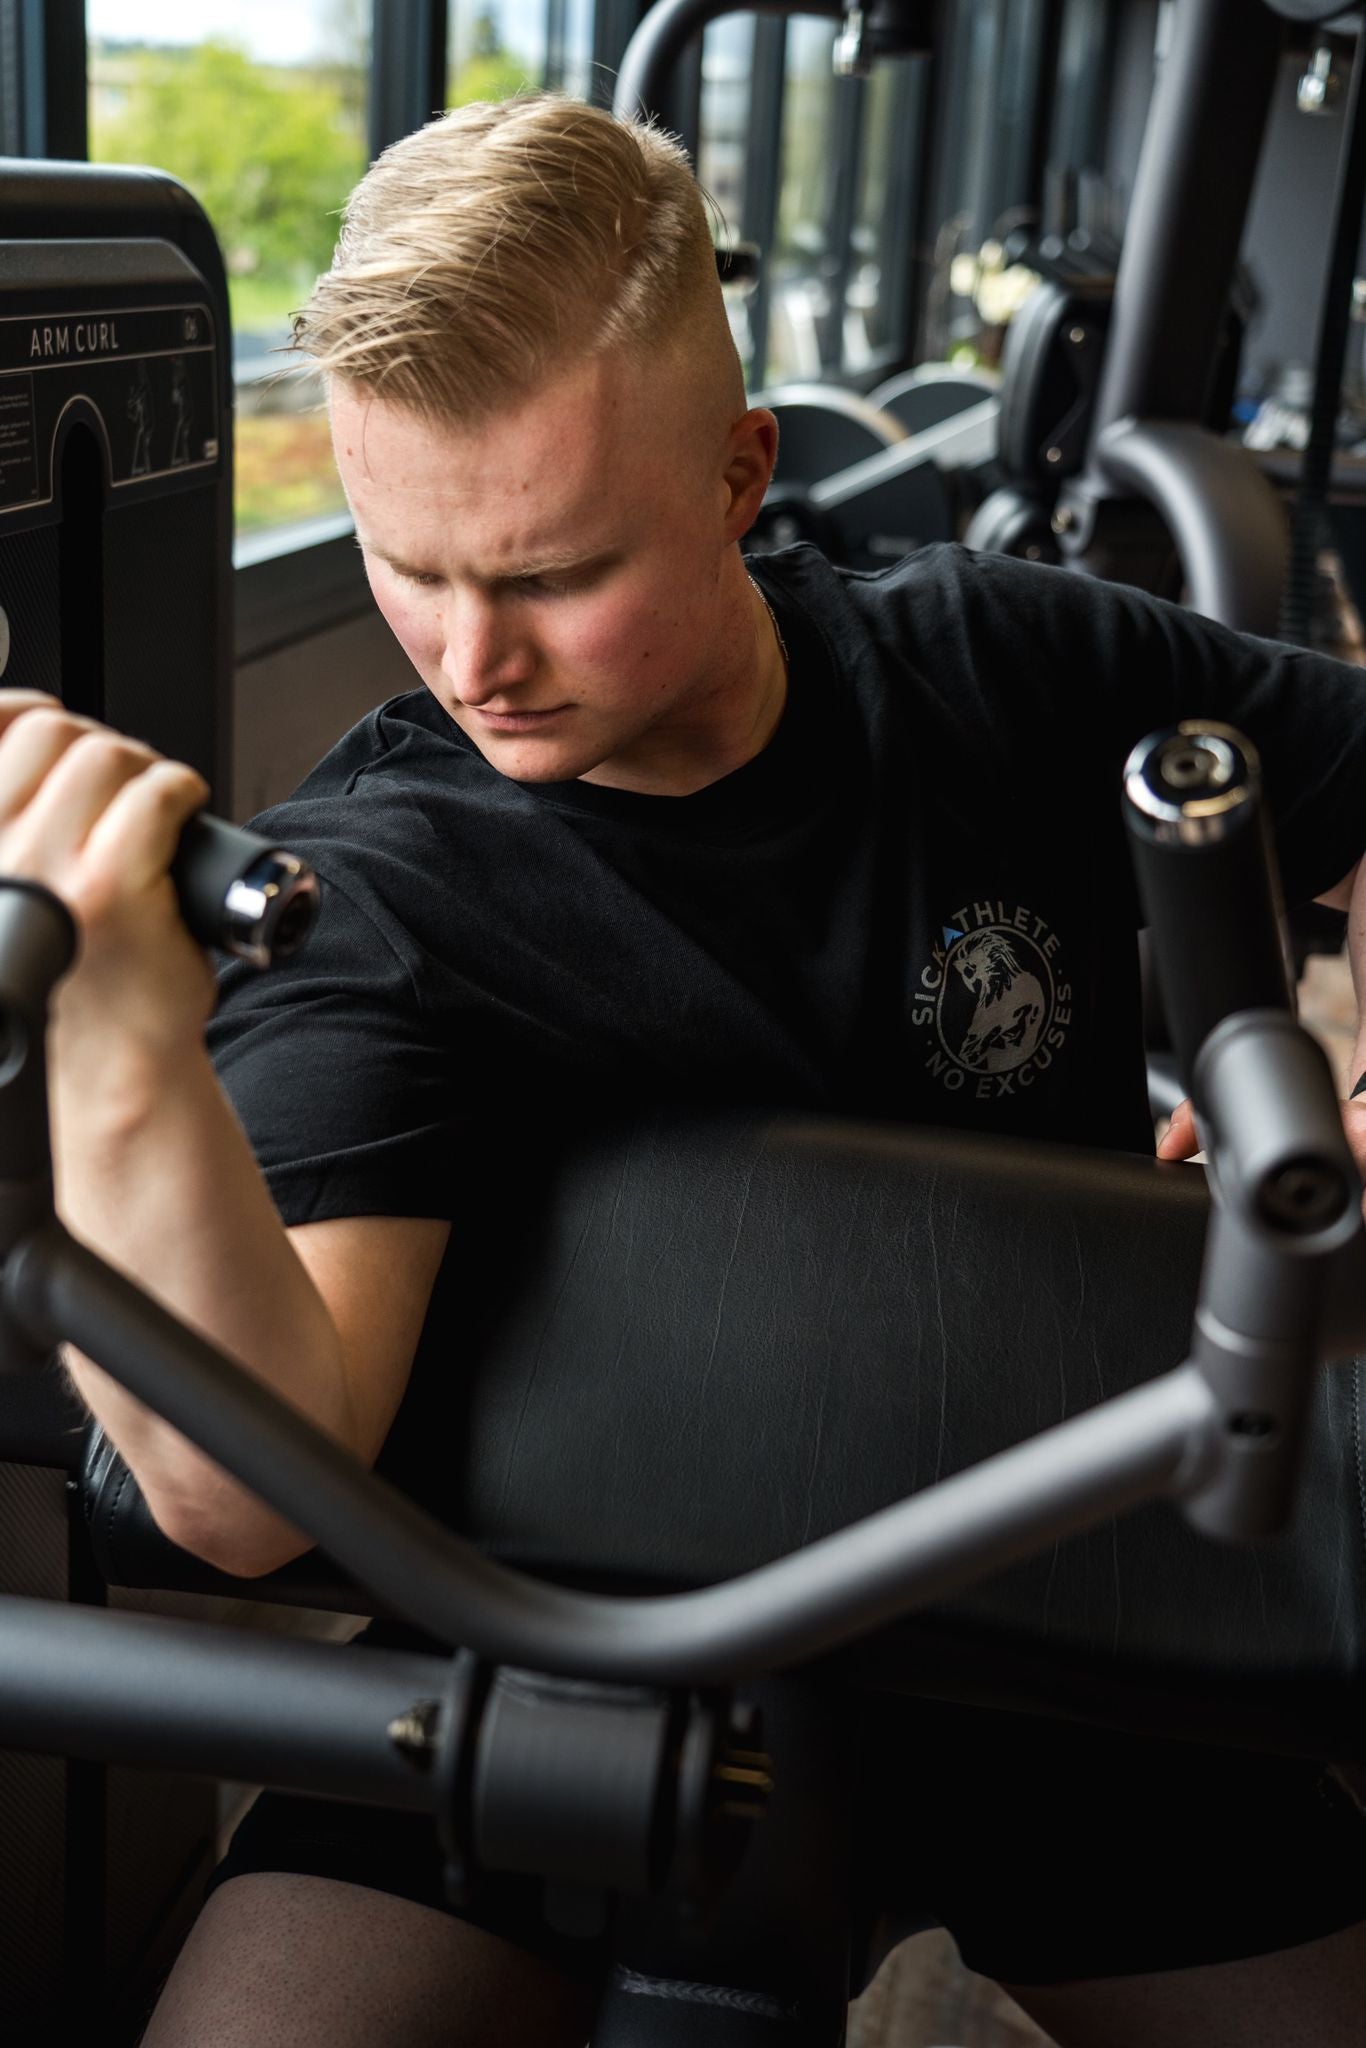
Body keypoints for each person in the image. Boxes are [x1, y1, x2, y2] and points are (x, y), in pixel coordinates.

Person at [5, 91, 1366, 2048]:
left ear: (738, 477)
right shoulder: (373, 880)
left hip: (1063, 1609)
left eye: (552, 572)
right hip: (578, 1657)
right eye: (412, 566)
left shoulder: (991, 663)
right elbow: (242, 1497)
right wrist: (123, 1044)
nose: (475, 660)